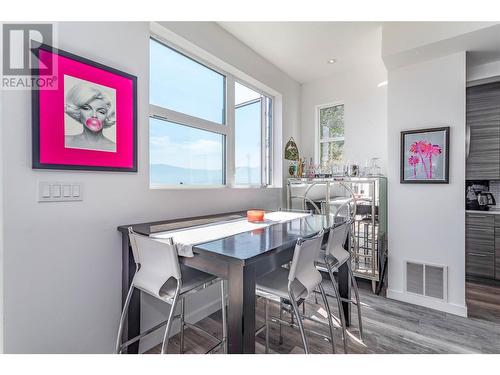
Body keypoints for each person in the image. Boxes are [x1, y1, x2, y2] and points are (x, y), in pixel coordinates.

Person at [64, 83, 116, 152]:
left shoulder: (114, 147)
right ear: (78, 111)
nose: (94, 115)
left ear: (107, 116)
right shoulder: (65, 141)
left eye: (101, 112)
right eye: (87, 108)